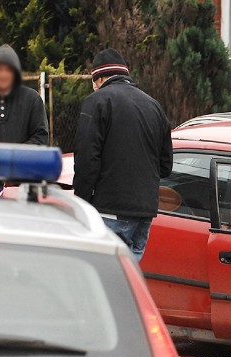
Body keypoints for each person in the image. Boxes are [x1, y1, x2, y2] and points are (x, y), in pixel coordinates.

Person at [73, 48, 173, 262]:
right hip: (145, 211)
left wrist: (81, 205)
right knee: (127, 279)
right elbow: (166, 166)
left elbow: (86, 161)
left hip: (109, 210)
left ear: (99, 78)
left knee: (103, 279)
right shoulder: (154, 106)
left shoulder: (97, 102)